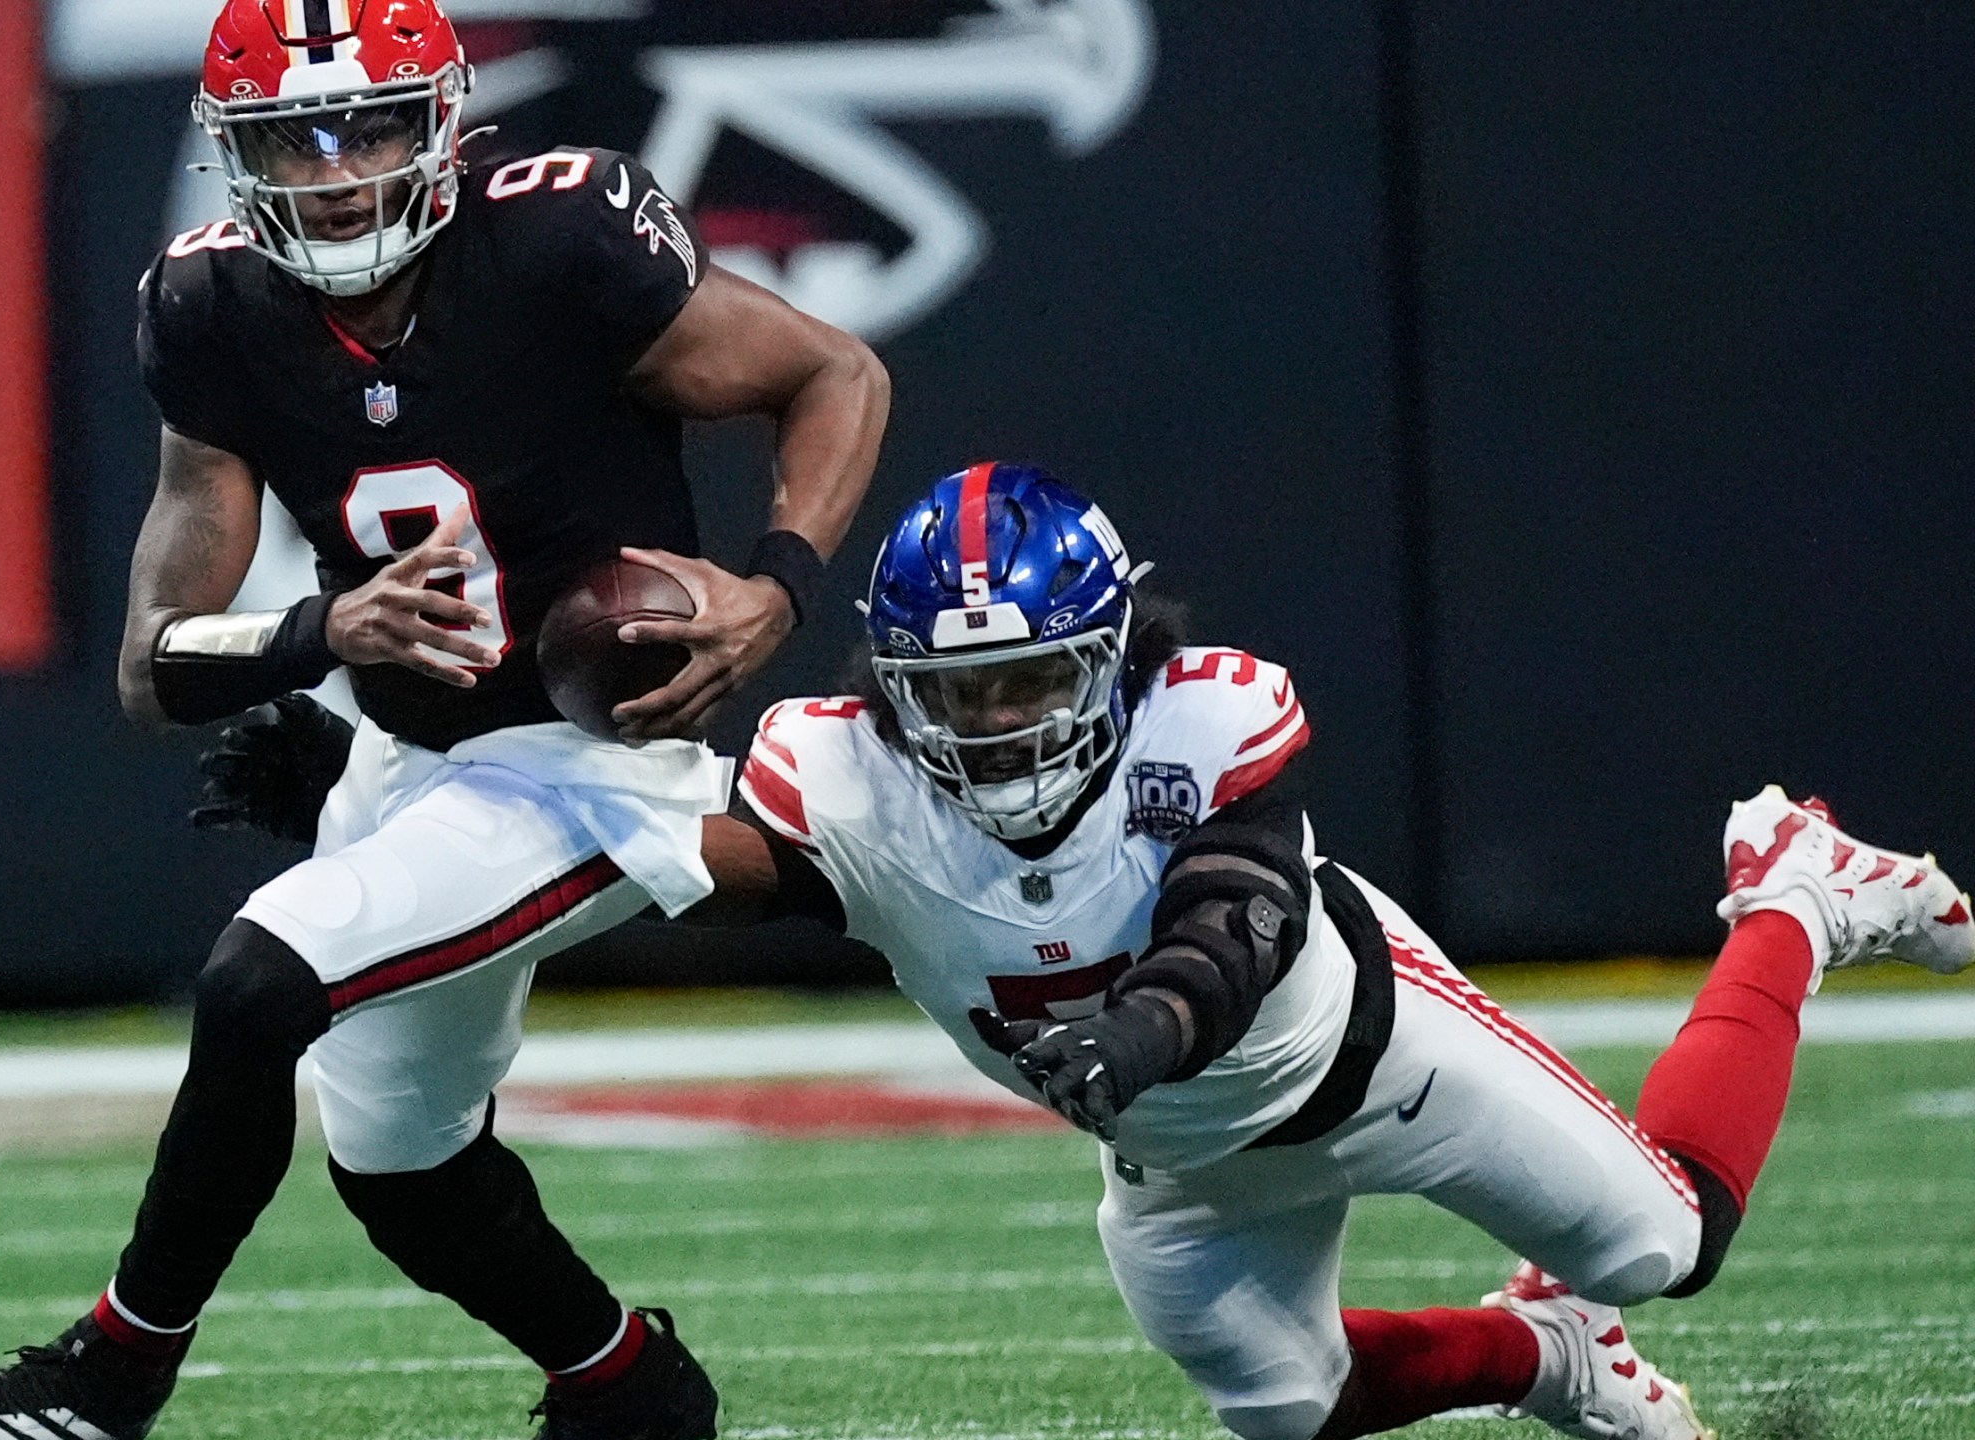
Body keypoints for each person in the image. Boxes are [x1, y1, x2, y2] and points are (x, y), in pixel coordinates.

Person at [195, 462, 1971, 1440]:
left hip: (1373, 1061)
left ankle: (1795, 898)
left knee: (1672, 1237)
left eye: (1036, 680)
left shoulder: (1213, 716)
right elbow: (646, 866)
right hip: (1178, 1165)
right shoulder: (848, 779)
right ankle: (1546, 1361)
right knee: (1298, 1412)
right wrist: (364, 787)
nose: (998, 725)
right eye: (956, 695)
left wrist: (1139, 1031)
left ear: (1114, 659)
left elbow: (1240, 913)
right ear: (897, 692)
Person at [0, 1, 887, 1437]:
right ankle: (631, 1393)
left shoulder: (561, 241)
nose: (334, 169)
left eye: (367, 125)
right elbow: (150, 664)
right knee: (402, 1168)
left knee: (259, 982)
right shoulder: (210, 306)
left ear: (442, 119)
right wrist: (319, 634)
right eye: (289, 140)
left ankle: (110, 1382)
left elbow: (834, 371)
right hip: (412, 758)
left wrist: (774, 591)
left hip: (589, 766)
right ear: (234, 160)